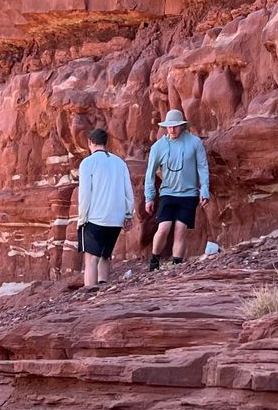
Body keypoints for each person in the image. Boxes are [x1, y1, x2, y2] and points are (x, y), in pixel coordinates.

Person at [143, 108, 209, 271]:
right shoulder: (158, 147)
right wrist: (149, 197)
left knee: (180, 230)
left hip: (189, 194)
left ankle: (177, 265)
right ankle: (154, 260)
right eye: (169, 126)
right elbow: (150, 173)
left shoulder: (194, 142)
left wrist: (204, 189)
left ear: (182, 126)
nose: (172, 129)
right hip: (167, 193)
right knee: (163, 228)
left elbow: (202, 166)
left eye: (175, 126)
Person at [75, 126, 133, 289]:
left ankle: (90, 293)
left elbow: (85, 194)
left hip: (95, 218)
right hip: (116, 219)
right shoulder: (119, 163)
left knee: (91, 259)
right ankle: (104, 288)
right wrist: (129, 214)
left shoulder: (87, 163)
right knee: (105, 256)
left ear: (90, 142)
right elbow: (128, 190)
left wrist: (82, 218)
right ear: (105, 142)